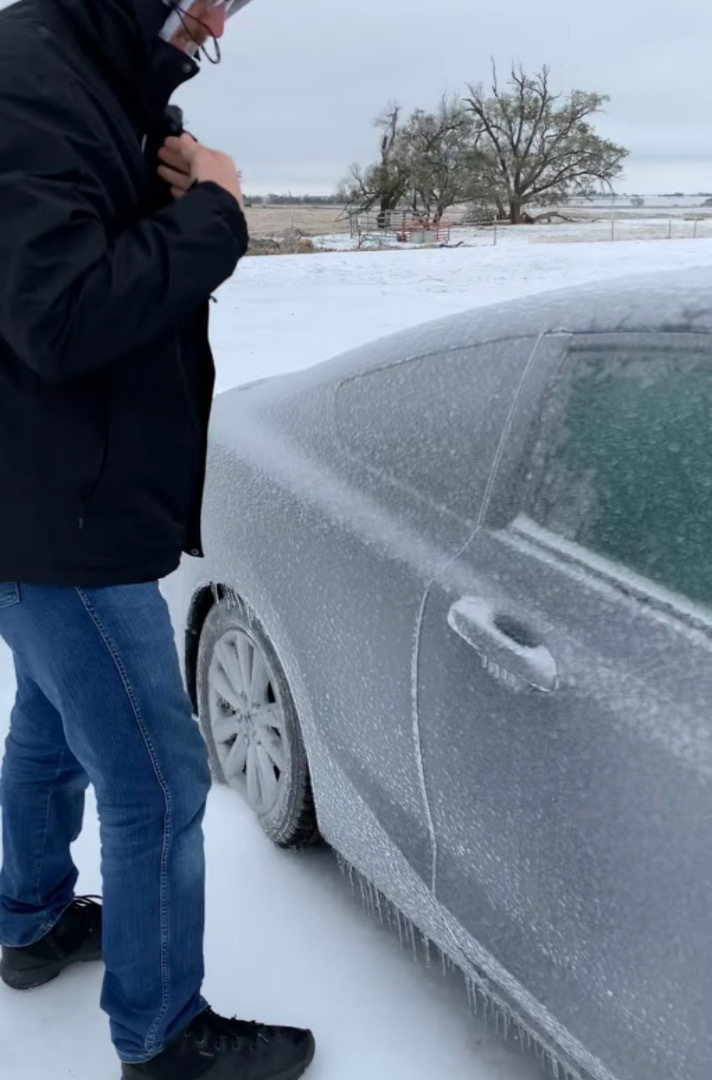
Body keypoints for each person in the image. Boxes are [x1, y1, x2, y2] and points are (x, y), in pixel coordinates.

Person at [0, 1, 315, 1078]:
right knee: (158, 784)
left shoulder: (76, 73)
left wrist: (170, 189)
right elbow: (60, 314)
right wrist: (217, 210)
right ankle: (164, 1037)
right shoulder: (32, 80)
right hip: (56, 509)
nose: (220, 19)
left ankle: (31, 920)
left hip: (50, 497)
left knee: (49, 724)